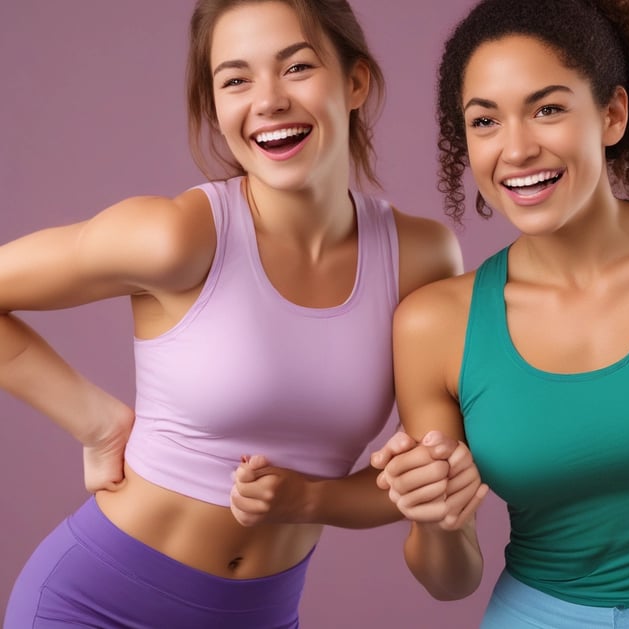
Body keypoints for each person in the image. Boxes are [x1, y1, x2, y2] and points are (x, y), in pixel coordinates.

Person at [1, 0, 462, 627]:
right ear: (215, 108)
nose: (268, 100)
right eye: (236, 80)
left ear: (355, 82)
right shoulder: (178, 237)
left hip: (261, 613)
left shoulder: (421, 258)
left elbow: (423, 483)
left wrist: (311, 499)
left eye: (296, 68)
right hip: (94, 605)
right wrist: (94, 422)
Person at [371, 0, 629, 626]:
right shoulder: (434, 324)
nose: (517, 149)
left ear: (612, 115)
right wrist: (435, 519)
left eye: (547, 109)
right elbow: (450, 581)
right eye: (485, 121)